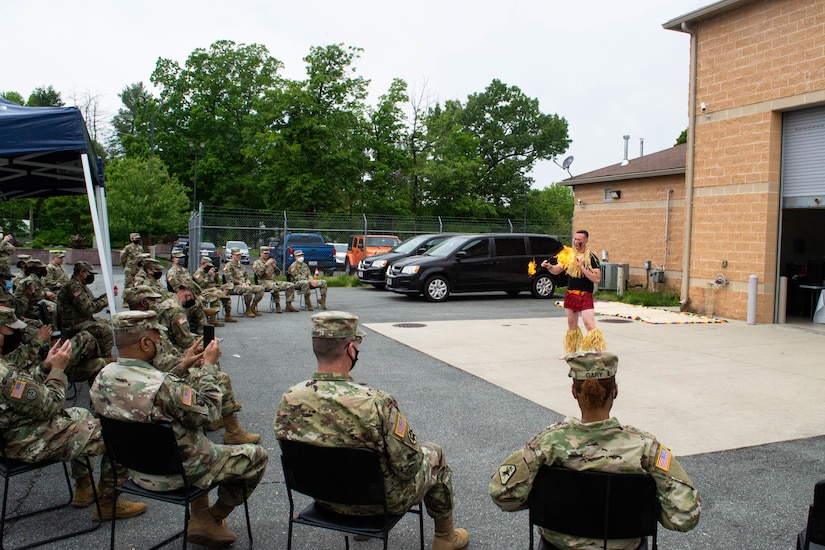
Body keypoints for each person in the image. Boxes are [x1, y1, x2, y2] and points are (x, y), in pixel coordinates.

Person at [275, 311, 469, 550]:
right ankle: (445, 537)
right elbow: (409, 466)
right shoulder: (376, 403)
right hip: (378, 503)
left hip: (323, 497)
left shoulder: (290, 397)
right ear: (350, 349)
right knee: (435, 454)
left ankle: (359, 528)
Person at [90, 310, 269, 547]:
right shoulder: (164, 386)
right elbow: (211, 412)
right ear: (145, 343)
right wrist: (209, 367)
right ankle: (211, 518)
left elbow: (151, 392)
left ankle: (202, 516)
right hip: (177, 473)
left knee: (192, 439)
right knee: (257, 457)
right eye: (156, 339)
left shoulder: (103, 376)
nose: (158, 343)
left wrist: (183, 365)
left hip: (135, 471)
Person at [489, 351, 701, 549]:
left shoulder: (546, 443)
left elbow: (502, 494)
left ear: (574, 391)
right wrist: (643, 509)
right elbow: (685, 515)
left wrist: (546, 500)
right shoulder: (646, 447)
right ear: (615, 391)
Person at [0, 306, 146, 520]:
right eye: (10, 330)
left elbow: (22, 390)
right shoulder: (4, 374)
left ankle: (84, 487)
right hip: (26, 441)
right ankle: (108, 503)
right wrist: (58, 370)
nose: (17, 335)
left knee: (81, 414)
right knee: (120, 433)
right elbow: (51, 405)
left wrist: (44, 367)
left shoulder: (5, 368)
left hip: (12, 435)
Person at [127, 285, 260, 445]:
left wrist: (186, 360)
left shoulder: (133, 326)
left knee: (205, 360)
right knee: (221, 377)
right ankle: (232, 431)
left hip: (157, 373)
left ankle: (221, 409)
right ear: (143, 303)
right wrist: (186, 361)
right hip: (160, 379)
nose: (159, 303)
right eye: (153, 300)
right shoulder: (147, 330)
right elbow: (161, 362)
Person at [542, 230, 606, 354]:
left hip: (585, 295)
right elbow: (557, 270)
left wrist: (582, 266)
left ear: (586, 241)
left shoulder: (591, 258)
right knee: (572, 325)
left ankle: (599, 351)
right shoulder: (569, 256)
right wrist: (549, 267)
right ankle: (571, 352)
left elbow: (597, 279)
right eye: (575, 239)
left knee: (589, 323)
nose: (576, 242)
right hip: (571, 294)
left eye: (579, 240)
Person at [55, 261, 117, 382]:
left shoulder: (80, 285)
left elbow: (92, 302)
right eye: (89, 273)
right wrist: (106, 300)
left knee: (108, 323)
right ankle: (105, 362)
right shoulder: (74, 287)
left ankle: (101, 358)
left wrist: (107, 296)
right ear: (82, 272)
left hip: (80, 319)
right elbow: (89, 309)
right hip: (72, 324)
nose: (91, 276)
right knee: (104, 330)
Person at [166, 250, 211, 332]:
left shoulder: (184, 270)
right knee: (197, 305)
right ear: (173, 259)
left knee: (200, 301)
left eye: (182, 258)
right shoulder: (172, 273)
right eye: (178, 258)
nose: (181, 259)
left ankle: (203, 332)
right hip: (180, 298)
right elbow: (177, 290)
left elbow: (191, 284)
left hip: (190, 294)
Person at [252, 246, 297, 313]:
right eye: (265, 253)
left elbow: (278, 274)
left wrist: (274, 266)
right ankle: (277, 304)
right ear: (261, 253)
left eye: (267, 253)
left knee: (290, 285)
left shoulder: (271, 261)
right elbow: (259, 274)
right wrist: (266, 264)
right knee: (275, 287)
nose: (267, 255)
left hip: (273, 281)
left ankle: (288, 304)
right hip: (263, 282)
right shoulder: (257, 263)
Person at [223, 248, 264, 319]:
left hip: (244, 285)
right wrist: (241, 283)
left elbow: (247, 276)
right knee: (248, 289)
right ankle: (248, 309)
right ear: (232, 255)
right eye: (236, 255)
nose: (238, 256)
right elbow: (229, 279)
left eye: (239, 255)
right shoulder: (228, 265)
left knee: (261, 288)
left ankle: (253, 307)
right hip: (233, 286)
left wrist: (247, 282)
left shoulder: (241, 266)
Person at [193, 256, 236, 323]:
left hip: (214, 288)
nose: (209, 267)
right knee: (216, 295)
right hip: (204, 290)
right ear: (203, 264)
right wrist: (208, 275)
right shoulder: (198, 273)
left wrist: (216, 275)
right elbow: (202, 285)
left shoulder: (209, 271)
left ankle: (228, 315)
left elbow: (215, 282)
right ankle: (212, 319)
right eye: (207, 266)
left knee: (229, 287)